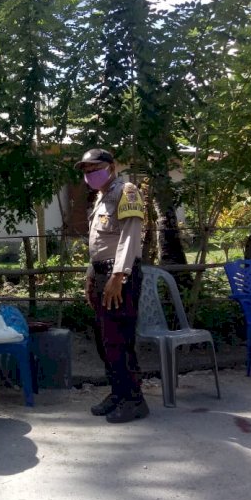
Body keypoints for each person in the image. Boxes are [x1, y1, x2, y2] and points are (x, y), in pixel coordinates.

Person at [75, 149, 149, 423]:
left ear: (112, 167)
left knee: (119, 338)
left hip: (120, 276)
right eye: (86, 170)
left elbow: (130, 236)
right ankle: (118, 392)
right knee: (104, 339)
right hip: (101, 273)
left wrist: (118, 276)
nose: (90, 174)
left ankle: (134, 399)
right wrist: (90, 277)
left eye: (95, 168)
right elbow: (98, 245)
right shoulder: (101, 198)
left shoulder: (126, 191)